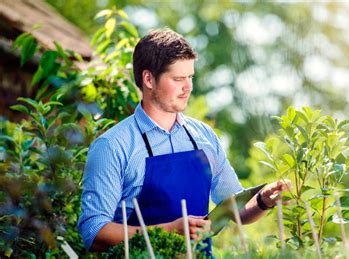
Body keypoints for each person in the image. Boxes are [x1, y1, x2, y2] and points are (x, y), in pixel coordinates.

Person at [78, 28, 291, 254]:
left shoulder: (204, 137)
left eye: (190, 77)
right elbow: (93, 231)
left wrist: (263, 200)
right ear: (148, 79)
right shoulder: (113, 146)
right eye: (178, 79)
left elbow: (235, 209)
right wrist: (167, 230)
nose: (188, 87)